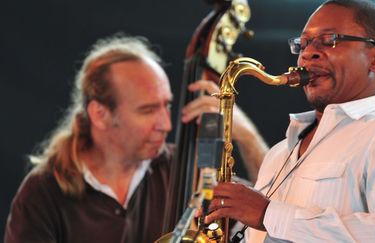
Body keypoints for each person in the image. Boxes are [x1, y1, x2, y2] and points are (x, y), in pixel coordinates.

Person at [205, 0, 375, 242]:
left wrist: (267, 213)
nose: (307, 54)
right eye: (302, 44)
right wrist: (232, 223)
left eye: (329, 40)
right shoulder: (278, 153)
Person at [4, 35, 268, 243]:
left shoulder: (193, 172)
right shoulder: (43, 192)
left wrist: (245, 135)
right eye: (147, 110)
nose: (166, 124)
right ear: (100, 114)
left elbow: (270, 208)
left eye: (166, 106)